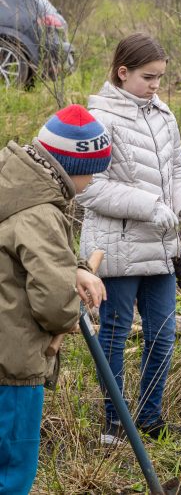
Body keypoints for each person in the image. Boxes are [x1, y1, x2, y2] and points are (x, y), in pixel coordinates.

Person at [77, 33, 181, 444]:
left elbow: (178, 170)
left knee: (163, 333)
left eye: (160, 78)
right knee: (113, 332)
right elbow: (90, 187)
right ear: (122, 72)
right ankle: (115, 424)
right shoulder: (98, 120)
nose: (155, 86)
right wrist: (149, 205)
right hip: (117, 246)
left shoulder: (163, 114)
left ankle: (149, 417)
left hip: (162, 245)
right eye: (148, 77)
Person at [0, 104, 110, 494]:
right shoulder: (41, 212)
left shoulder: (13, 183)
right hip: (14, 361)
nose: (93, 180)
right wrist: (67, 319)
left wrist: (76, 265)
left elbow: (34, 253)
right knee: (11, 468)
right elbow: (52, 300)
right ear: (69, 165)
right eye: (92, 170)